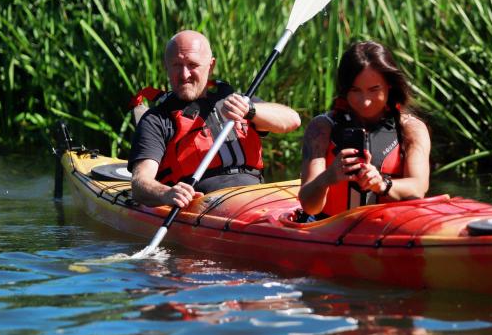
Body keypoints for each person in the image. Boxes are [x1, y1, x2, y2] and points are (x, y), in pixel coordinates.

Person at [129, 30, 301, 208]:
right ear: (167, 67)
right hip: (204, 205)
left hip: (257, 198)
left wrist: (250, 110)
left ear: (210, 66)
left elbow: (292, 120)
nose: (184, 74)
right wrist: (166, 193)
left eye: (192, 65)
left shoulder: (238, 101)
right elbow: (140, 184)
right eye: (176, 65)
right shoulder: (157, 119)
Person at [298, 40, 430, 218]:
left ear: (389, 86)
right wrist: (327, 177)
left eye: (374, 89)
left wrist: (382, 184)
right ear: (345, 90)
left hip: (386, 231)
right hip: (328, 229)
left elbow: (418, 188)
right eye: (356, 90)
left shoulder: (411, 129)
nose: (365, 101)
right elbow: (309, 206)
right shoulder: (321, 128)